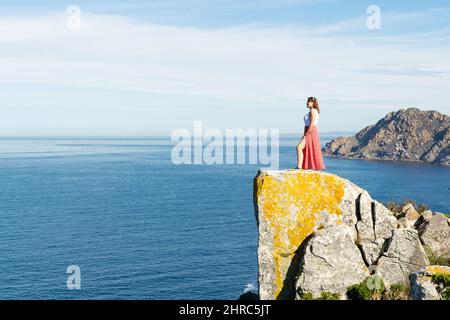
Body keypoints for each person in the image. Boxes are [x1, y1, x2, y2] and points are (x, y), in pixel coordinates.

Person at [296, 97, 326, 170]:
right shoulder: (313, 111)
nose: (307, 103)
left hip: (310, 131)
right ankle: (302, 166)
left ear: (313, 103)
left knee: (299, 147)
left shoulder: (313, 111)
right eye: (307, 101)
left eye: (309, 101)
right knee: (305, 149)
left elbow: (312, 124)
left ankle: (299, 166)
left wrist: (305, 135)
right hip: (309, 130)